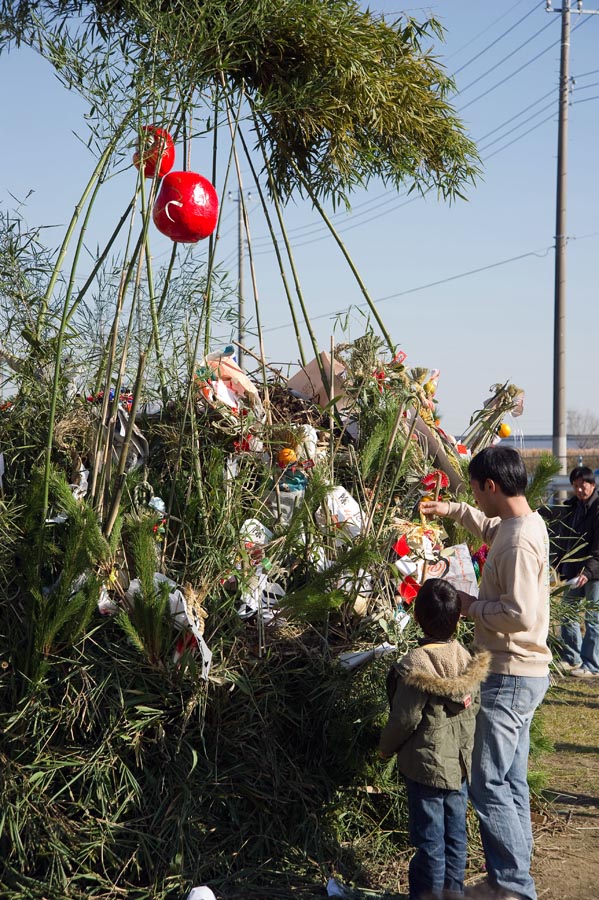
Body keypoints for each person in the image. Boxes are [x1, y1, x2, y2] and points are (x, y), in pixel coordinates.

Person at [420, 446, 552, 900]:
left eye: (475, 491)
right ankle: (509, 879)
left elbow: (518, 613)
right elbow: (488, 525)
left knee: (487, 782)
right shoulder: (522, 523)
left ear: (490, 486)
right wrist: (449, 508)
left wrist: (471, 606)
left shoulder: (517, 542)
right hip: (526, 673)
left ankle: (514, 886)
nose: (475, 499)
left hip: (509, 672)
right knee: (511, 779)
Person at [379, 578, 490, 900]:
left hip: (425, 767)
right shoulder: (469, 661)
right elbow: (475, 707)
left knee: (430, 843)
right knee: (456, 839)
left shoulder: (414, 667)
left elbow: (405, 718)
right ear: (458, 618)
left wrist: (385, 748)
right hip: (459, 767)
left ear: (416, 616)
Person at [542, 465, 599, 677]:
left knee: (593, 618)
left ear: (592, 485)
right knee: (567, 614)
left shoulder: (597, 509)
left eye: (582, 486)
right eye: (575, 486)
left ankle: (592, 665)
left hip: (594, 573)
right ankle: (572, 657)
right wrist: (558, 566)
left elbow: (598, 548)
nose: (579, 490)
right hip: (574, 571)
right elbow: (564, 541)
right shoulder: (572, 508)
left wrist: (589, 571)